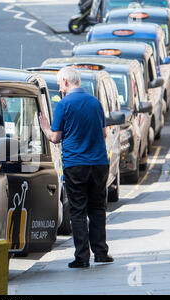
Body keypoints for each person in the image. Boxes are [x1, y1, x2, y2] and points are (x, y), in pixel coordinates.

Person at [38, 67, 113, 268]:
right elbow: (104, 133)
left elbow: (55, 137)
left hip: (75, 164)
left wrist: (45, 127)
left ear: (65, 82)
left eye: (58, 83)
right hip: (99, 164)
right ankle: (101, 252)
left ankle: (82, 257)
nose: (58, 87)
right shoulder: (95, 103)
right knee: (98, 208)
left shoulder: (63, 105)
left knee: (78, 210)